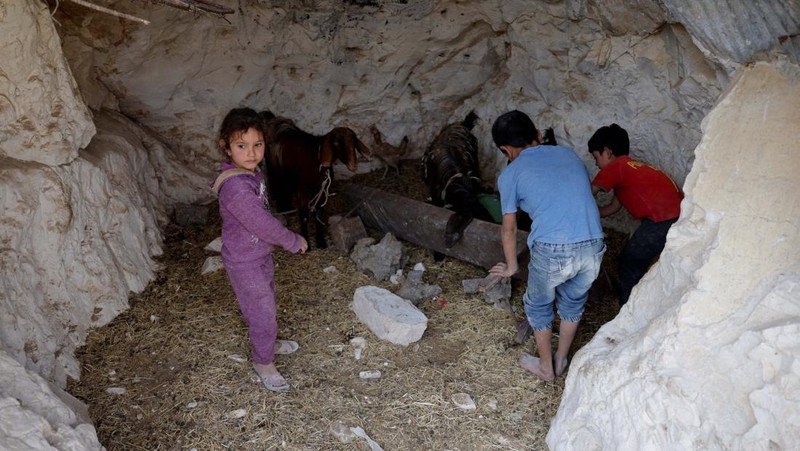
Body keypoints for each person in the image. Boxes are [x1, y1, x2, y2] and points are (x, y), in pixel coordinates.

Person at [489, 110, 605, 382]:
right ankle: (561, 359)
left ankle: (545, 367)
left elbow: (509, 227)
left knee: (538, 305)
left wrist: (512, 266)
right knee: (573, 302)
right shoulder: (569, 155)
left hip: (553, 249)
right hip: (593, 243)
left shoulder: (511, 174)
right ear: (539, 135)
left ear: (506, 150)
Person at [211, 107, 308, 392]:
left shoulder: (252, 174)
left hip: (258, 255)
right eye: (241, 146)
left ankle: (268, 341)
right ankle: (263, 362)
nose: (252, 153)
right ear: (226, 147)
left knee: (265, 305)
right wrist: (292, 240)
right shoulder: (236, 187)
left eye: (258, 145)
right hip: (245, 262)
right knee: (262, 311)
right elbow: (261, 223)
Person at [587, 124, 683, 306]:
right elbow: (612, 208)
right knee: (635, 256)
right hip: (676, 216)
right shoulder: (630, 170)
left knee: (630, 262)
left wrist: (573, 212)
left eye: (596, 157)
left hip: (662, 221)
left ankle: (627, 307)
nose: (596, 164)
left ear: (607, 152)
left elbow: (586, 194)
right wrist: (589, 214)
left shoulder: (616, 167)